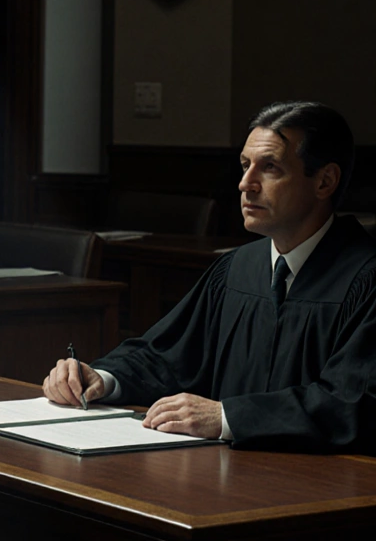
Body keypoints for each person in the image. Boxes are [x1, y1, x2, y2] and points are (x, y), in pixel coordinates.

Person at [43, 101, 376, 454]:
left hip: (326, 491)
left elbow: (355, 402)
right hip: (224, 477)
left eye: (270, 168)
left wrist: (227, 417)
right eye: (245, 166)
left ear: (325, 181)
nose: (246, 184)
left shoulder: (365, 279)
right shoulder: (237, 270)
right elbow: (168, 355)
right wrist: (103, 379)